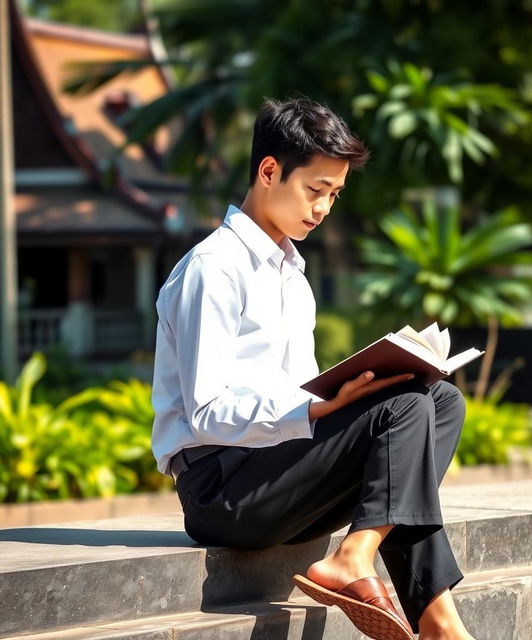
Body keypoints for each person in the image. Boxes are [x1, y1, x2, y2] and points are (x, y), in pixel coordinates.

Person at [151, 96, 476, 640]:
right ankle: (412, 601)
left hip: (280, 471)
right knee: (401, 414)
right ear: (269, 171)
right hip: (221, 489)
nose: (324, 209)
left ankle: (398, 584)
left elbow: (302, 394)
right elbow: (205, 412)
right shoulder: (212, 269)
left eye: (335, 195)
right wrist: (317, 406)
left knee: (439, 400)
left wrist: (340, 393)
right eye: (315, 190)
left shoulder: (294, 280)